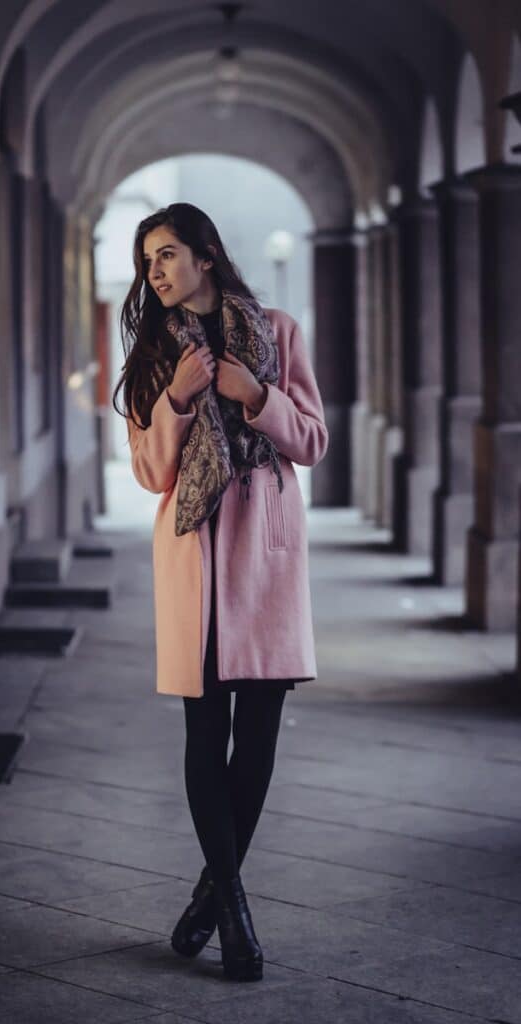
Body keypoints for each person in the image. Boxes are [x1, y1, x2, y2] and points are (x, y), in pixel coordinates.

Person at [113, 202, 328, 982]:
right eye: (147, 262)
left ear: (206, 254)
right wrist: (175, 396)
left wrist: (255, 395)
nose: (156, 272)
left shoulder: (277, 331)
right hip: (196, 560)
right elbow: (149, 474)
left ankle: (211, 894)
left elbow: (311, 440)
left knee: (259, 738)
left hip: (265, 558)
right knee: (205, 735)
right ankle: (233, 913)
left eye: (166, 254)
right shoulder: (152, 356)